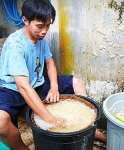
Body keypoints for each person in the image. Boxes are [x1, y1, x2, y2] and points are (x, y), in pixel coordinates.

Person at [0, 0, 106, 149]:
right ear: (25, 20)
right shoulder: (15, 45)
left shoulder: (39, 38)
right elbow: (23, 87)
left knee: (77, 83)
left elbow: (50, 62)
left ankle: (89, 129)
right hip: (13, 89)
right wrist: (51, 119)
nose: (44, 31)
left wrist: (54, 87)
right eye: (39, 26)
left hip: (37, 83)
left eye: (48, 25)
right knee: (1, 122)